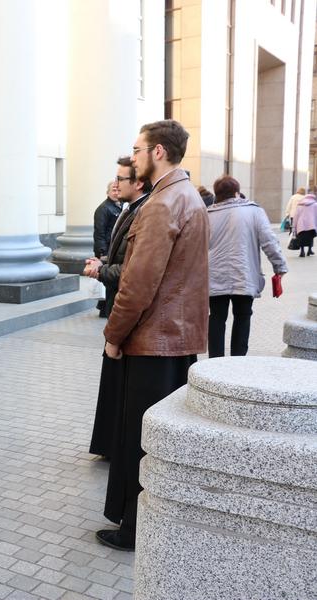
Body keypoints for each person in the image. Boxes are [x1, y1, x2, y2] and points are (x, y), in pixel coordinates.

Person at [97, 119, 209, 551]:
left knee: (139, 440)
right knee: (160, 440)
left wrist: (113, 335)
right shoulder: (187, 195)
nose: (134, 157)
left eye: (137, 150)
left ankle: (134, 529)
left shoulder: (162, 203)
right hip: (174, 340)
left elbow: (138, 285)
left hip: (153, 341)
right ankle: (150, 523)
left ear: (157, 152)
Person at [82, 157, 151, 458]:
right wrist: (103, 263)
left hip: (127, 314)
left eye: (121, 178)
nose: (115, 183)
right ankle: (110, 444)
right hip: (118, 308)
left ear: (138, 182)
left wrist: (101, 270)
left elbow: (133, 273)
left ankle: (116, 447)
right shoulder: (129, 209)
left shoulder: (144, 213)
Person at [207, 176, 287, 357]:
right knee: (243, 316)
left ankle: (214, 362)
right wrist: (279, 266)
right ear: (237, 192)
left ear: (216, 194)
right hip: (244, 274)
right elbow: (269, 241)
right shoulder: (254, 211)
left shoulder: (207, 214)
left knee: (217, 317)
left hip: (215, 276)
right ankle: (238, 360)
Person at [92, 182, 122, 316]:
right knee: (108, 282)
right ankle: (105, 310)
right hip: (106, 251)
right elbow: (99, 233)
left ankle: (104, 308)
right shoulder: (103, 209)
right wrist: (102, 253)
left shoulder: (119, 206)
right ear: (108, 192)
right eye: (113, 190)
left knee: (110, 281)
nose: (116, 192)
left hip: (113, 249)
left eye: (117, 190)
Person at [293, 192, 317, 257]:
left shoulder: (300, 205)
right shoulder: (315, 204)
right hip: (311, 224)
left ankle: (302, 251)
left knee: (301, 238)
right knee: (310, 237)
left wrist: (294, 226)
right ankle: (309, 250)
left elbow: (296, 216)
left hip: (301, 224)